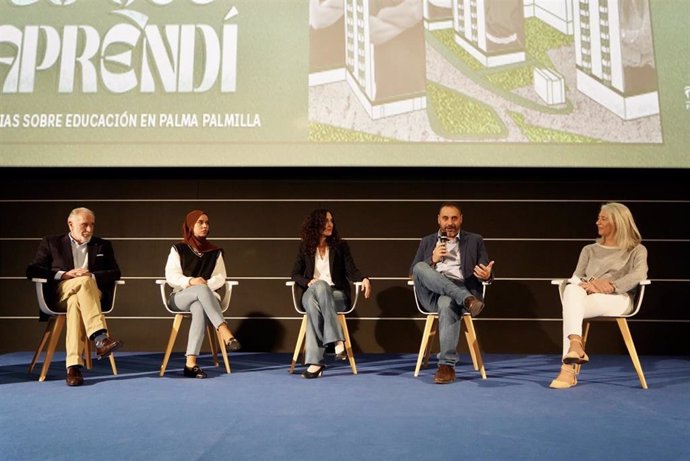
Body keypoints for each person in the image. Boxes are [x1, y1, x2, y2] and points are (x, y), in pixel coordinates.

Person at [550, 202, 648, 389]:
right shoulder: (589, 249)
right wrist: (588, 285)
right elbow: (576, 278)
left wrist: (610, 285)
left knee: (571, 309)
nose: (597, 222)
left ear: (618, 222)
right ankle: (575, 346)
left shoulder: (636, 250)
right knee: (571, 289)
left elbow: (639, 275)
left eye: (603, 219)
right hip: (586, 296)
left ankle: (569, 367)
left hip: (620, 299)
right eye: (598, 218)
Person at [26, 207, 124, 386]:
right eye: (84, 225)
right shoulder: (51, 242)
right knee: (81, 286)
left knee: (77, 299)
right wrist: (63, 275)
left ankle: (73, 367)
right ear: (70, 224)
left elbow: (116, 272)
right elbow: (32, 270)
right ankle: (101, 339)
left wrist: (91, 275)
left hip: (90, 294)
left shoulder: (102, 245)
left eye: (92, 225)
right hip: (61, 292)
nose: (89, 230)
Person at [410, 202, 494, 384]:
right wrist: (432, 259)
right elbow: (413, 272)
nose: (450, 223)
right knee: (420, 266)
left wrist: (487, 276)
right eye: (446, 218)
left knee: (447, 302)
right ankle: (467, 300)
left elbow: (484, 269)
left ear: (461, 219)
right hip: (431, 294)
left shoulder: (475, 240)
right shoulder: (427, 241)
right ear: (439, 220)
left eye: (454, 218)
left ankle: (446, 366)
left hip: (460, 287)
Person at [290, 209, 371, 379]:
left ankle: (315, 363)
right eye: (326, 221)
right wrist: (307, 282)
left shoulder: (340, 246)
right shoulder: (305, 246)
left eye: (331, 221)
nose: (330, 225)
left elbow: (351, 270)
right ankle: (337, 340)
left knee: (315, 305)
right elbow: (295, 274)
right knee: (318, 288)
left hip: (336, 295)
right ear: (315, 224)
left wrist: (363, 278)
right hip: (310, 292)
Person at [165, 210, 240, 379]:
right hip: (180, 297)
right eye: (200, 222)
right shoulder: (178, 248)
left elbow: (220, 277)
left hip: (206, 299)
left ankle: (190, 363)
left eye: (207, 222)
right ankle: (223, 329)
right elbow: (171, 276)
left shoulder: (215, 251)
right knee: (199, 291)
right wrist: (191, 281)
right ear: (191, 225)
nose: (205, 226)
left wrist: (205, 285)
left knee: (199, 305)